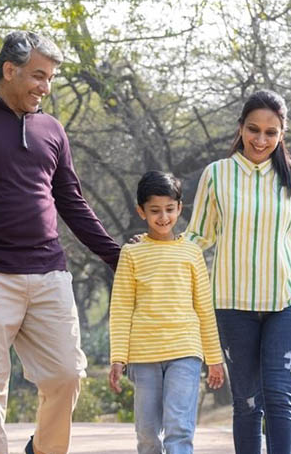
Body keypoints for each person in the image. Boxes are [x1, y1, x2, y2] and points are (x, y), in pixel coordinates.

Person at [0, 31, 121, 454]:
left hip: (49, 272)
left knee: (67, 375)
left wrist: (115, 255)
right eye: (38, 76)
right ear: (8, 70)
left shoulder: (51, 128)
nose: (45, 87)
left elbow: (71, 200)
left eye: (49, 79)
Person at [184, 90, 291, 453]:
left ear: (282, 134)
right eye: (254, 130)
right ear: (240, 128)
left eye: (271, 133)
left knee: (278, 396)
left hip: (287, 301)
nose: (261, 140)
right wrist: (160, 247)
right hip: (232, 303)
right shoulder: (217, 175)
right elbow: (199, 234)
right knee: (245, 403)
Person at [107, 171, 226, 454]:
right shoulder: (131, 254)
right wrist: (117, 358)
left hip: (185, 350)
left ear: (179, 208)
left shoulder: (191, 253)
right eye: (155, 211)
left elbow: (204, 309)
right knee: (147, 432)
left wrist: (214, 358)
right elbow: (121, 308)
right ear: (141, 212)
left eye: (169, 210)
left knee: (180, 428)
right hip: (144, 354)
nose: (163, 217)